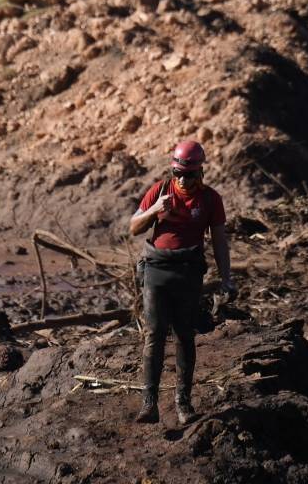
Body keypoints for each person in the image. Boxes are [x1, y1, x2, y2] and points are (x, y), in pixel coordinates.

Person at [129, 140, 233, 426]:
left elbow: (220, 241)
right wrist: (155, 211)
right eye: (178, 174)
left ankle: (183, 403)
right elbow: (133, 227)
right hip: (156, 270)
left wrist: (227, 278)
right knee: (154, 334)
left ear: (201, 172)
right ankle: (149, 403)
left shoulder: (211, 199)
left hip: (188, 273)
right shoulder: (160, 191)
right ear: (172, 171)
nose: (183, 180)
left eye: (189, 174)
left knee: (185, 336)